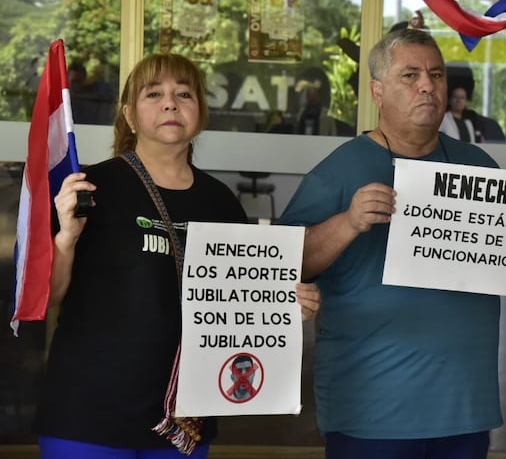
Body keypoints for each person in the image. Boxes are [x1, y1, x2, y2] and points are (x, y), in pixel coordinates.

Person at [280, 28, 506, 459]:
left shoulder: (477, 164)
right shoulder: (341, 170)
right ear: (377, 90)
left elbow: (505, 255)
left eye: (436, 75)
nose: (427, 85)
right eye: (410, 75)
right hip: (373, 409)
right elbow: (285, 263)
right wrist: (347, 222)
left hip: (464, 405)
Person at [35, 53, 321, 459]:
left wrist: (285, 303)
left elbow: (242, 300)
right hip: (87, 410)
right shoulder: (88, 188)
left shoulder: (220, 202)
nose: (171, 103)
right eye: (154, 94)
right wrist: (65, 238)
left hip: (182, 415)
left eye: (183, 93)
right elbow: (47, 296)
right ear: (130, 115)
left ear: (200, 112)